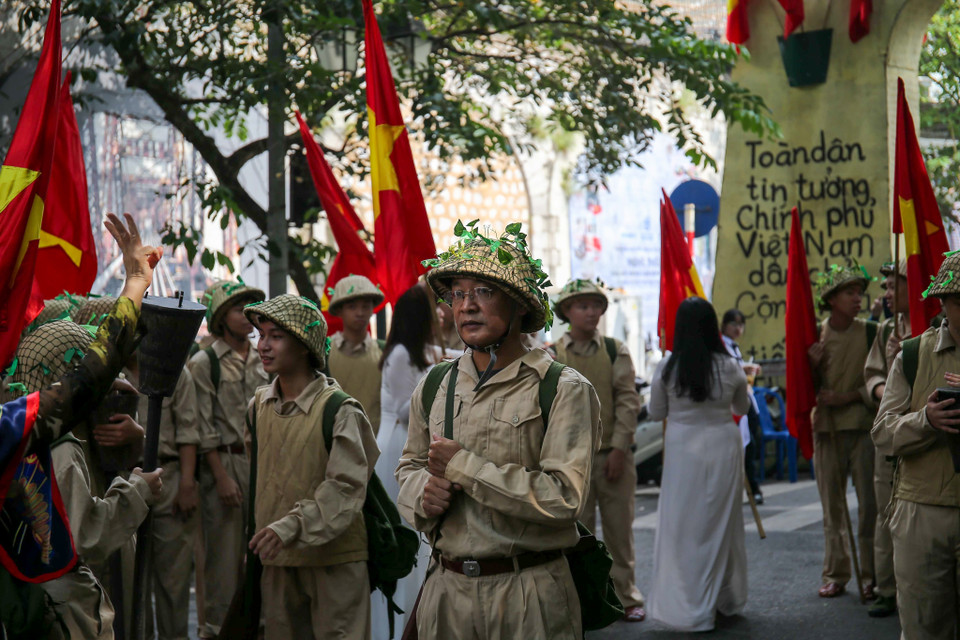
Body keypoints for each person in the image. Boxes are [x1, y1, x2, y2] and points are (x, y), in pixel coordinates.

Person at [396, 223, 601, 639]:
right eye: (458, 293)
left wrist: (462, 468)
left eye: (484, 292)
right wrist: (422, 492)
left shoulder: (562, 388)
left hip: (529, 593)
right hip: (446, 592)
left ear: (519, 306)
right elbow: (408, 469)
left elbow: (564, 498)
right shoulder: (435, 385)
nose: (467, 306)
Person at [0, 213, 161, 633]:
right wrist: (138, 492)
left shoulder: (11, 422)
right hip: (57, 608)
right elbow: (85, 535)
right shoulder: (40, 439)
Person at [244, 294, 379, 639]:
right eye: (261, 335)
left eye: (276, 336)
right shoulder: (258, 405)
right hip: (278, 563)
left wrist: (288, 527)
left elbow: (345, 488)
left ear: (304, 345)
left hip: (334, 562)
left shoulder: (340, 410)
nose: (264, 345)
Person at [646, 297, 750, 631]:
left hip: (682, 450)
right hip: (722, 445)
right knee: (721, 524)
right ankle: (722, 599)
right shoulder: (730, 365)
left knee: (683, 526)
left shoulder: (666, 367)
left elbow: (656, 413)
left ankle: (690, 603)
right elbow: (743, 408)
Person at [873, 251, 960, 639]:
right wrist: (927, 419)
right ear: (942, 303)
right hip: (921, 512)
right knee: (925, 629)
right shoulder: (912, 355)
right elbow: (882, 432)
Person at [551, 278, 645, 622]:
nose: (591, 312)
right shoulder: (553, 354)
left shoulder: (613, 349)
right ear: (566, 311)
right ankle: (583, 599)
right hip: (571, 461)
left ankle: (628, 596)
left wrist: (620, 448)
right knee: (576, 533)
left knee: (621, 531)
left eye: (596, 306)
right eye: (582, 306)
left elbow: (627, 400)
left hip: (612, 455)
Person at [189, 279, 267, 638]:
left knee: (262, 554)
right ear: (221, 316)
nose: (247, 316)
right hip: (226, 463)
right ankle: (218, 629)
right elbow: (203, 426)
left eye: (252, 308)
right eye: (239, 309)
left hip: (262, 465)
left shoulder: (263, 358)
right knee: (222, 561)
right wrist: (220, 477)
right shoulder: (206, 362)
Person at [370, 283, 449, 637]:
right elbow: (405, 411)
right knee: (406, 530)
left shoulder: (424, 352)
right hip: (399, 446)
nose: (443, 314)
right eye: (437, 309)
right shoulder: (402, 353)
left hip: (414, 444)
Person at [808, 265, 877, 600]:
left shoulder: (872, 332)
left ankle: (871, 574)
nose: (857, 299)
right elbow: (804, 389)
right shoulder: (816, 337)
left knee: (869, 507)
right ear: (832, 299)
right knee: (831, 508)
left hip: (863, 428)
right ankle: (836, 573)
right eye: (850, 292)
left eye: (859, 292)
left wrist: (847, 397)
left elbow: (882, 381)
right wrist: (812, 366)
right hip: (827, 430)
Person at [126, 356, 201, 640]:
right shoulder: (109, 371)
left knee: (174, 582)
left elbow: (188, 430)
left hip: (168, 475)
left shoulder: (173, 369)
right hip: (127, 479)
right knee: (134, 583)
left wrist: (186, 482)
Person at [862, 259, 909, 618]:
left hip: (923, 435)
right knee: (884, 512)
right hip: (889, 431)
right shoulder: (884, 332)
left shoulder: (935, 327)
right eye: (887, 287)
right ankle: (885, 587)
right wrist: (884, 390)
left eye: (894, 285)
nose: (887, 294)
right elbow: (871, 376)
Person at [327, 275, 385, 435]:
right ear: (339, 310)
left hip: (374, 444)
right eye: (352, 307)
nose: (360, 313)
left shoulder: (384, 352)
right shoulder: (323, 351)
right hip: (331, 441)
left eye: (366, 306)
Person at [720, 309, 764, 505]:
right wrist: (742, 369)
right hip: (733, 405)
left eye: (741, 324)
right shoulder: (721, 345)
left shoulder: (734, 346)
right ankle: (751, 487)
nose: (738, 328)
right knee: (746, 445)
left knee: (751, 444)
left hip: (745, 400)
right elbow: (726, 369)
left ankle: (751, 486)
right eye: (733, 324)